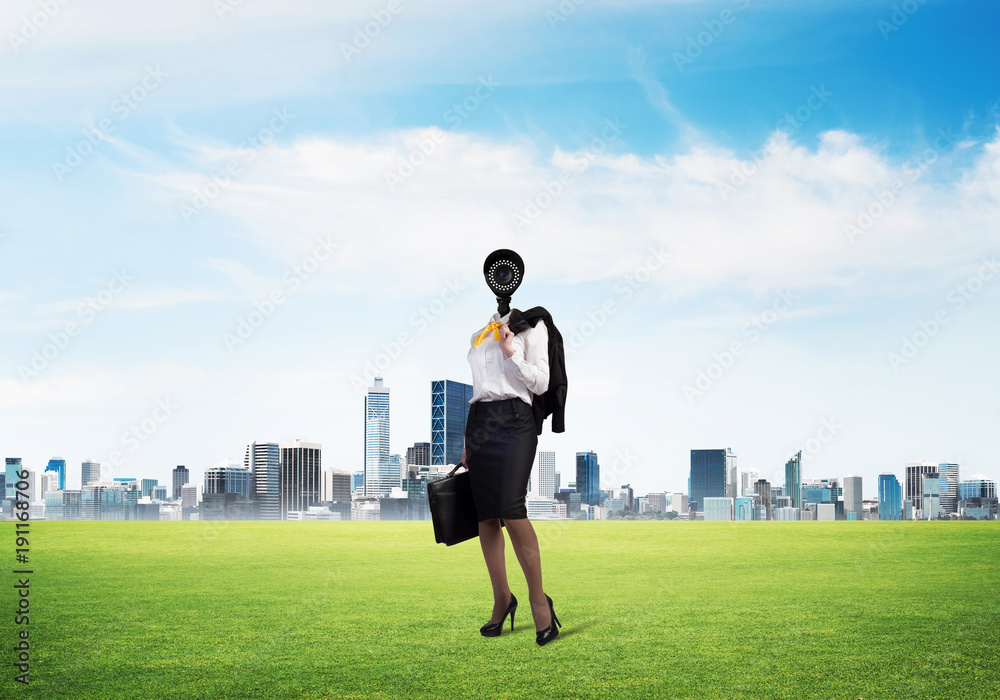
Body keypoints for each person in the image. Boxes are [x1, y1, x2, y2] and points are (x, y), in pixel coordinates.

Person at [460, 307, 562, 646]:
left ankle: (538, 602)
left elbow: (542, 383)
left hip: (516, 421)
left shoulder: (531, 328)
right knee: (486, 516)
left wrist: (511, 352)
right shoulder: (480, 333)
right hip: (479, 421)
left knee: (511, 509)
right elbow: (480, 388)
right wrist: (467, 442)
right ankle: (502, 599)